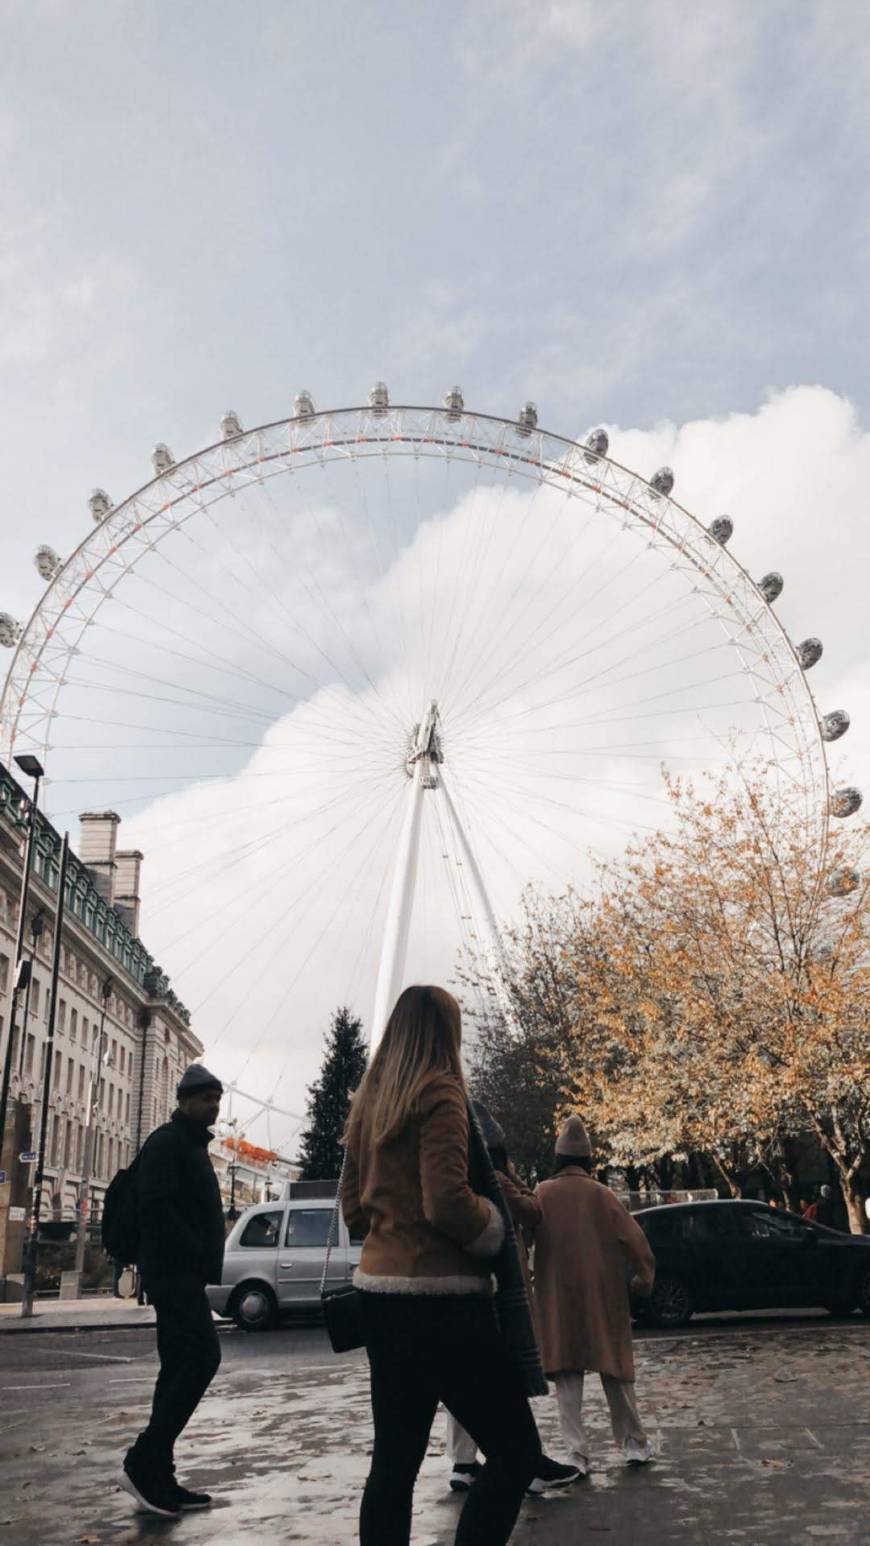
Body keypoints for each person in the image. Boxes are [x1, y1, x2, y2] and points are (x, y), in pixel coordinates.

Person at [342, 986, 550, 1546]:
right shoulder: (441, 1094)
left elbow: (351, 1208)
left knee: (394, 1464)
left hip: (379, 1298)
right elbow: (447, 1202)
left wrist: (391, 1224)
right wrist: (495, 1225)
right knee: (516, 1451)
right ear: (446, 1033)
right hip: (443, 1300)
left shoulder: (369, 1101)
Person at [445, 1101, 579, 1497]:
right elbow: (532, 1211)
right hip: (498, 1291)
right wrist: (510, 1181)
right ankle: (526, 1461)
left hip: (466, 1290)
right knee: (508, 1376)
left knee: (465, 1383)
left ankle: (465, 1462)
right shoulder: (493, 1181)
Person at [121, 1063, 226, 1519]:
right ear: (184, 1101)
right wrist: (195, 1252)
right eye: (206, 1099)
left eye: (217, 1099)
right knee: (203, 1359)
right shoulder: (168, 1143)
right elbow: (155, 1208)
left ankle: (159, 1474)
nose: (214, 1106)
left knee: (177, 1368)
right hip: (173, 1275)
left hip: (183, 1274)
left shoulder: (191, 1145)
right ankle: (143, 1460)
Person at [533, 1116, 656, 1476]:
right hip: (604, 1296)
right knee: (615, 1371)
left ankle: (577, 1454)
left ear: (557, 1158)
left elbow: (523, 1238)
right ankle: (633, 1444)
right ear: (588, 1160)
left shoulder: (541, 1193)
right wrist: (641, 1281)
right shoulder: (604, 1196)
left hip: (556, 1297)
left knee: (567, 1377)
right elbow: (638, 1245)